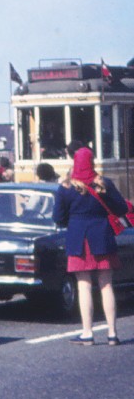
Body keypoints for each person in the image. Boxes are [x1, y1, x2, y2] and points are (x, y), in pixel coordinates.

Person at [54, 148, 127, 345]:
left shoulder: (65, 188)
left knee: (84, 286)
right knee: (106, 284)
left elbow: (58, 218)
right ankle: (112, 333)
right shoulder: (105, 184)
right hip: (102, 236)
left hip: (78, 238)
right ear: (92, 162)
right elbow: (122, 209)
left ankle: (87, 333)